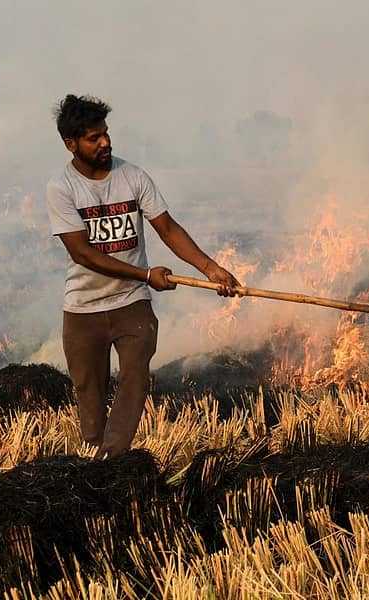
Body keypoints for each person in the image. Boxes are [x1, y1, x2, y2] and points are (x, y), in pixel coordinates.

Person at [46, 94, 239, 459]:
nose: (105, 142)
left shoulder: (132, 176)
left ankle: (113, 458)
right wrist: (146, 274)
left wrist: (211, 269)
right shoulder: (61, 188)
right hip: (83, 308)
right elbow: (82, 253)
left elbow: (167, 228)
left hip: (132, 303)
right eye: (93, 138)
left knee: (134, 378)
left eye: (106, 133)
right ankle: (95, 460)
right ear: (71, 144)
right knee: (88, 392)